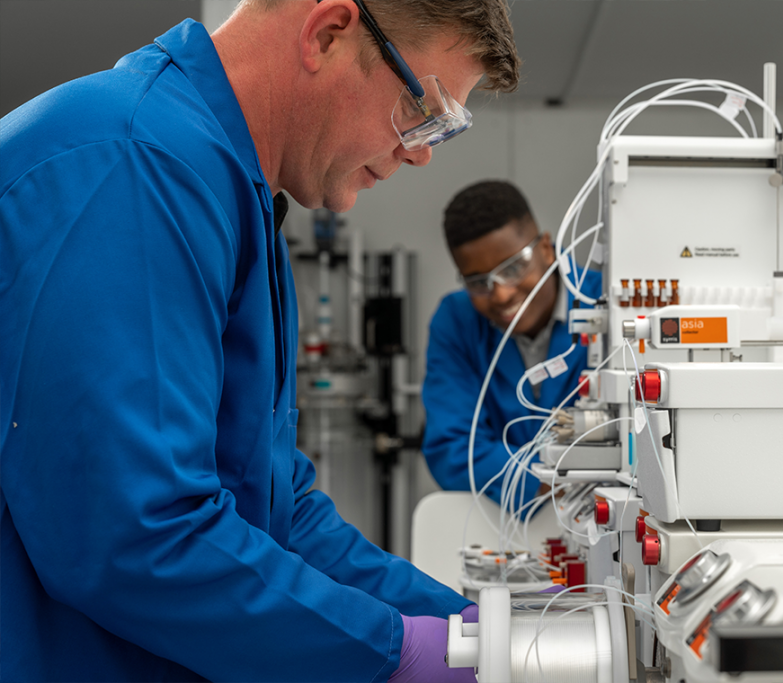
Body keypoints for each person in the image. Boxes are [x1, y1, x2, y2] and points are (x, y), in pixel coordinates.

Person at [0, 1, 518, 680]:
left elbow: (278, 508)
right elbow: (135, 536)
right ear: (328, 34)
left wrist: (460, 628)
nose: (419, 151)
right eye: (422, 108)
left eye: (442, 130)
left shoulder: (232, 193)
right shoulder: (133, 165)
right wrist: (388, 651)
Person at [422, 180, 602, 509]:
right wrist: (545, 480)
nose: (502, 294)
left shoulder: (607, 303)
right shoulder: (456, 321)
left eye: (514, 267)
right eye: (479, 282)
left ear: (546, 248)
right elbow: (451, 447)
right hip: (502, 525)